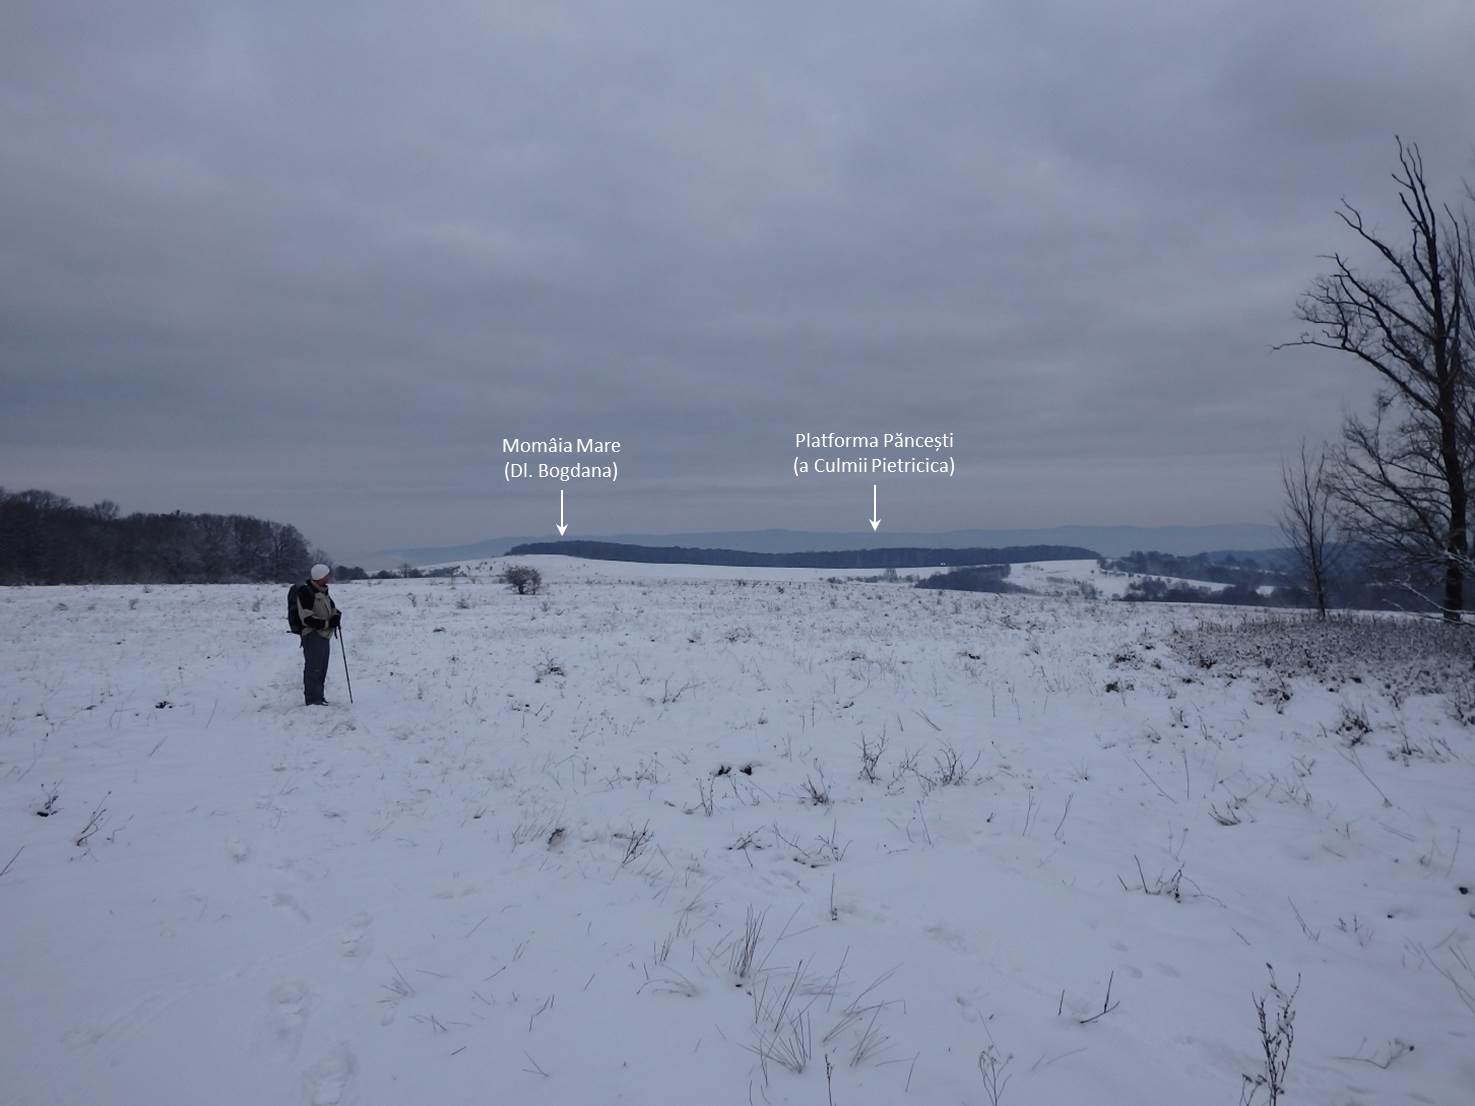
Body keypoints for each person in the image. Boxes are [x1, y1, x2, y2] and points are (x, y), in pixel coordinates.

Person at [293, 564, 342, 706]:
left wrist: (336, 616)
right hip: (312, 635)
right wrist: (328, 623)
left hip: (324, 635)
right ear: (320, 576)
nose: (328, 577)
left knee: (321, 668)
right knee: (314, 668)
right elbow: (307, 619)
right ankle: (313, 700)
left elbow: (332, 608)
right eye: (326, 575)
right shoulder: (306, 592)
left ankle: (319, 697)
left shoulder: (323, 591)